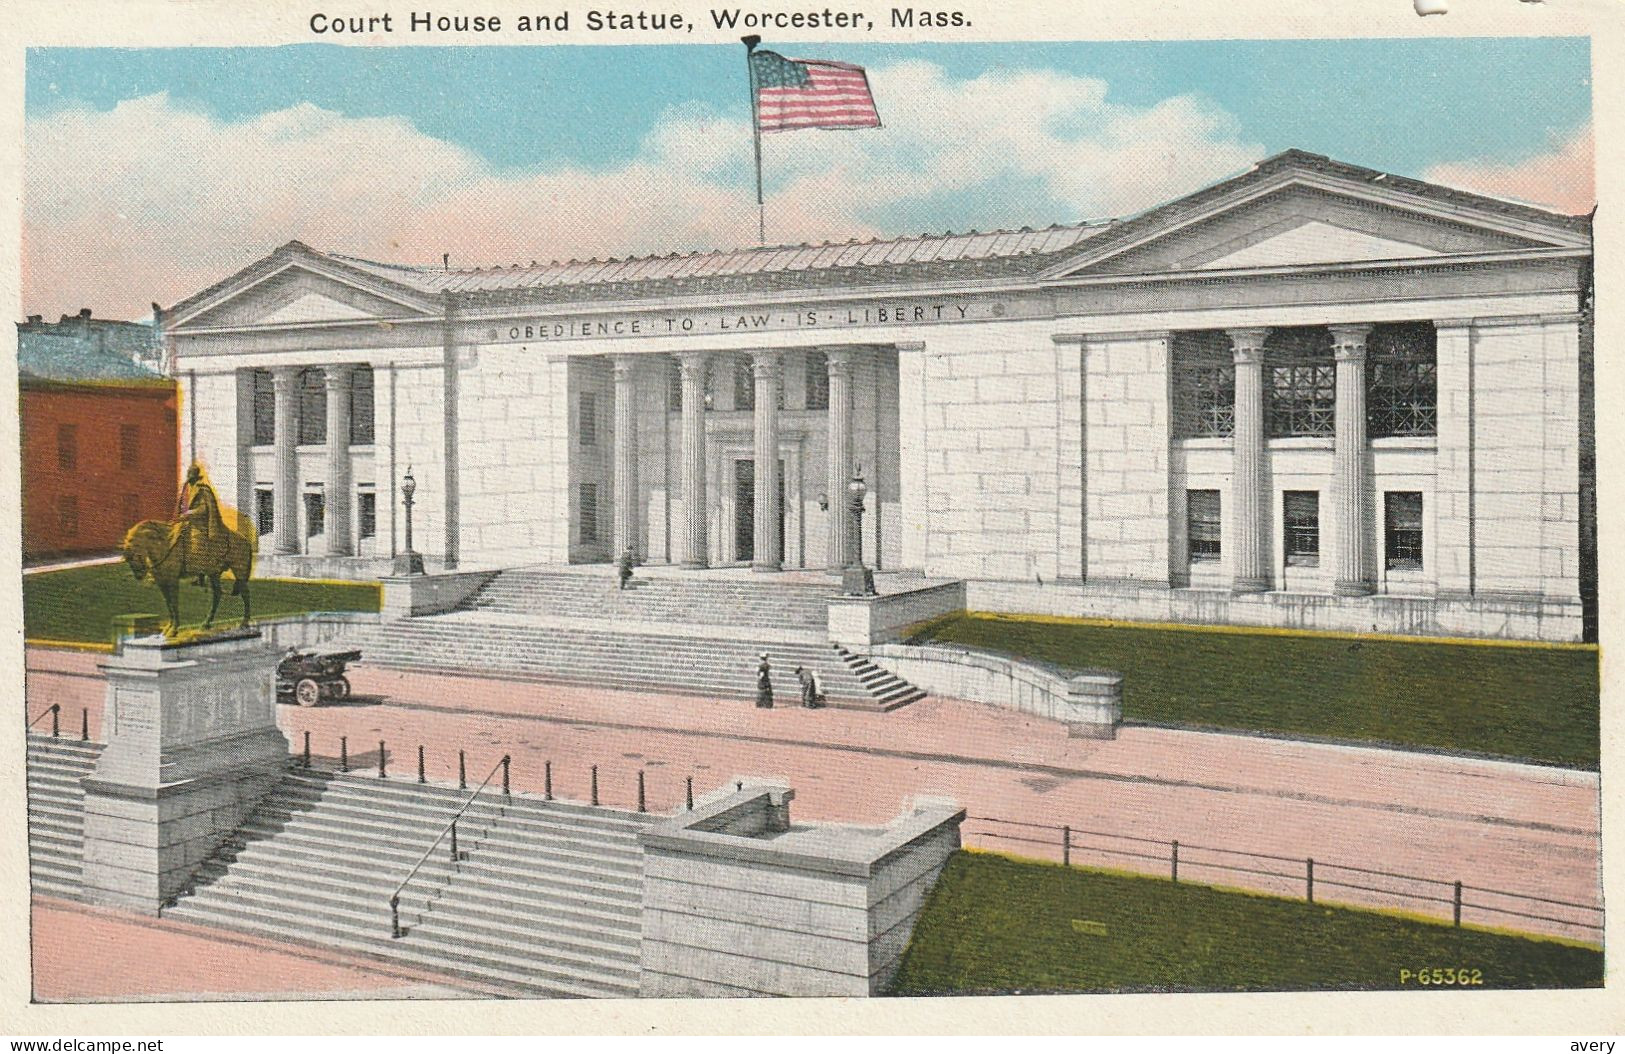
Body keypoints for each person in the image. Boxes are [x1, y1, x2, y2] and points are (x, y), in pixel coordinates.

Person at [173, 462, 222, 585]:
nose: (189, 477)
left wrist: (188, 513)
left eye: (191, 475)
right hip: (188, 523)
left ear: (195, 476)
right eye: (188, 474)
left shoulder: (202, 490)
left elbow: (204, 509)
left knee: (198, 549)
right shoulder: (187, 488)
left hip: (200, 526)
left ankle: (202, 579)